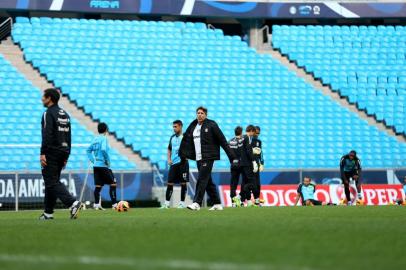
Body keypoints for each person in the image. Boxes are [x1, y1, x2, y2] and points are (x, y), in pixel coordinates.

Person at [179, 106, 237, 211]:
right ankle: (217, 203)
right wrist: (183, 154)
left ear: (206, 115)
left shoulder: (212, 125)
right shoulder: (193, 126)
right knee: (208, 181)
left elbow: (222, 140)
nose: (199, 115)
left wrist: (232, 156)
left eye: (202, 113)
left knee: (201, 179)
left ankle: (197, 203)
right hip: (198, 158)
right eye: (198, 113)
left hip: (208, 157)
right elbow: (186, 141)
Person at [39, 88, 82, 220]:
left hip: (51, 151)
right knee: (51, 183)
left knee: (51, 182)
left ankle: (73, 203)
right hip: (63, 151)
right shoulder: (65, 114)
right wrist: (67, 155)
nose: (42, 99)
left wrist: (43, 153)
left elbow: (47, 134)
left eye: (43, 97)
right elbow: (68, 136)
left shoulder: (48, 113)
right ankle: (48, 213)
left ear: (49, 98)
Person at [86, 122, 118, 210]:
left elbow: (88, 150)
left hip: (96, 166)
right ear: (106, 130)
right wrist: (107, 160)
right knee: (113, 183)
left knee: (98, 186)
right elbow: (104, 149)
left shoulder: (95, 139)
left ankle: (97, 205)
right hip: (103, 165)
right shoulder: (104, 138)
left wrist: (93, 160)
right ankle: (114, 204)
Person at [161, 120, 189, 209]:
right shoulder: (172, 137)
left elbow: (191, 148)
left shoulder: (185, 137)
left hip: (183, 163)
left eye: (175, 126)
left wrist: (188, 155)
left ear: (180, 126)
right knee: (169, 183)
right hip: (173, 164)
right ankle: (166, 204)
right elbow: (169, 149)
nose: (174, 128)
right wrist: (169, 159)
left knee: (183, 183)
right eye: (173, 127)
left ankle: (181, 203)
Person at [228, 126, 257, 207]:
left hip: (233, 164)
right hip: (242, 164)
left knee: (233, 184)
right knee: (244, 182)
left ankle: (233, 203)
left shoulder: (230, 141)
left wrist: (232, 161)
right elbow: (245, 151)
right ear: (241, 132)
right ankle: (243, 200)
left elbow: (229, 153)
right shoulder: (243, 139)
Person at [251, 126, 264, 204]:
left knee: (257, 183)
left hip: (257, 164)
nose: (257, 134)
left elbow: (261, 152)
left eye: (258, 133)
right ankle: (246, 199)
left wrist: (262, 163)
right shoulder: (249, 140)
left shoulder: (259, 141)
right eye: (256, 133)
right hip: (250, 164)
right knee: (249, 183)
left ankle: (257, 199)